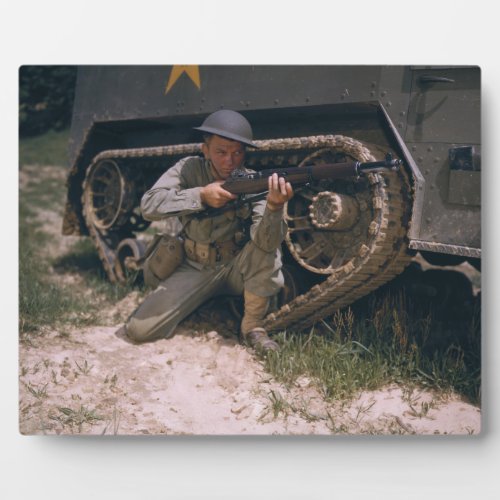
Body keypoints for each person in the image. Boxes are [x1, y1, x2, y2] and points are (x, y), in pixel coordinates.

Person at [125, 110, 293, 352]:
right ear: (205, 150)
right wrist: (200, 195)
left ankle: (253, 327)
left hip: (236, 267)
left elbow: (267, 243)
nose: (229, 161)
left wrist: (275, 207)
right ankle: (208, 302)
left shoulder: (254, 182)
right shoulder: (188, 169)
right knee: (139, 330)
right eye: (221, 152)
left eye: (237, 153)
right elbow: (148, 205)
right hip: (193, 265)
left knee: (265, 250)